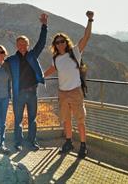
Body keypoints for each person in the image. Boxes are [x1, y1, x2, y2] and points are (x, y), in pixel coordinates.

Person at [44, 10, 94, 158]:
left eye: (62, 41)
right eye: (57, 42)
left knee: (80, 119)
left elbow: (86, 37)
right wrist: (38, 77)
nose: (60, 44)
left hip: (75, 91)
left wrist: (90, 20)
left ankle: (83, 146)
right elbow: (51, 70)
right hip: (62, 92)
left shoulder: (75, 52)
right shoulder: (56, 58)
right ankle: (68, 142)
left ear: (66, 42)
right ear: (55, 45)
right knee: (65, 119)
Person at [7, 13, 48, 151]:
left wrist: (44, 26)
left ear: (27, 45)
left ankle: (31, 142)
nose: (22, 46)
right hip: (18, 94)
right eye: (19, 44)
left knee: (32, 119)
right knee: (18, 120)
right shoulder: (12, 60)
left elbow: (41, 43)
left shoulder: (32, 55)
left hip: (32, 93)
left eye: (24, 44)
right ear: (17, 46)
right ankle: (18, 142)